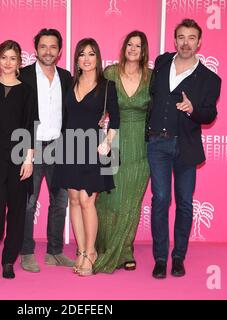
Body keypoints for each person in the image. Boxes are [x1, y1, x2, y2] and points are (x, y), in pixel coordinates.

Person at [147, 19, 221, 279]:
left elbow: (209, 114)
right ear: (175, 40)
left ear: (199, 42)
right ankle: (159, 257)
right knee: (161, 199)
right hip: (157, 143)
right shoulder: (162, 62)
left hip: (186, 147)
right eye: (181, 37)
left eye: (191, 37)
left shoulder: (210, 79)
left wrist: (193, 110)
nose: (186, 42)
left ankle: (178, 256)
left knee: (185, 203)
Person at [54, 38, 120, 276]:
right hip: (69, 146)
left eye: (91, 54)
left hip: (93, 147)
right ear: (77, 59)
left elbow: (116, 120)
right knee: (73, 198)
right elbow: (63, 118)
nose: (86, 59)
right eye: (82, 54)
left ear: (98, 58)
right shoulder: (69, 84)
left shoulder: (107, 86)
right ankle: (81, 251)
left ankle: (91, 252)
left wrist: (108, 143)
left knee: (87, 200)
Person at [93, 30, 151, 274]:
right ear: (124, 47)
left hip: (141, 144)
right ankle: (103, 245)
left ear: (143, 50)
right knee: (109, 197)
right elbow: (98, 104)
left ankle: (125, 250)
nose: (133, 49)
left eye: (138, 45)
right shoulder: (110, 73)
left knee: (131, 201)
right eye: (129, 44)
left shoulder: (151, 77)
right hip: (113, 140)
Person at [18, 28, 74, 273]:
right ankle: (26, 252)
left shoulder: (66, 76)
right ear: (36, 49)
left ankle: (55, 251)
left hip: (59, 146)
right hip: (31, 146)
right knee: (28, 204)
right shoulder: (24, 75)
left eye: (53, 47)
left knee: (60, 201)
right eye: (43, 46)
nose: (48, 51)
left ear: (59, 51)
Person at [0, 40, 34, 280]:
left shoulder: (27, 91)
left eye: (13, 58)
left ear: (19, 62)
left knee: (17, 211)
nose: (8, 62)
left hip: (19, 156)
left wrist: (29, 159)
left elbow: (31, 126)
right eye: (4, 57)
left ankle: (9, 260)